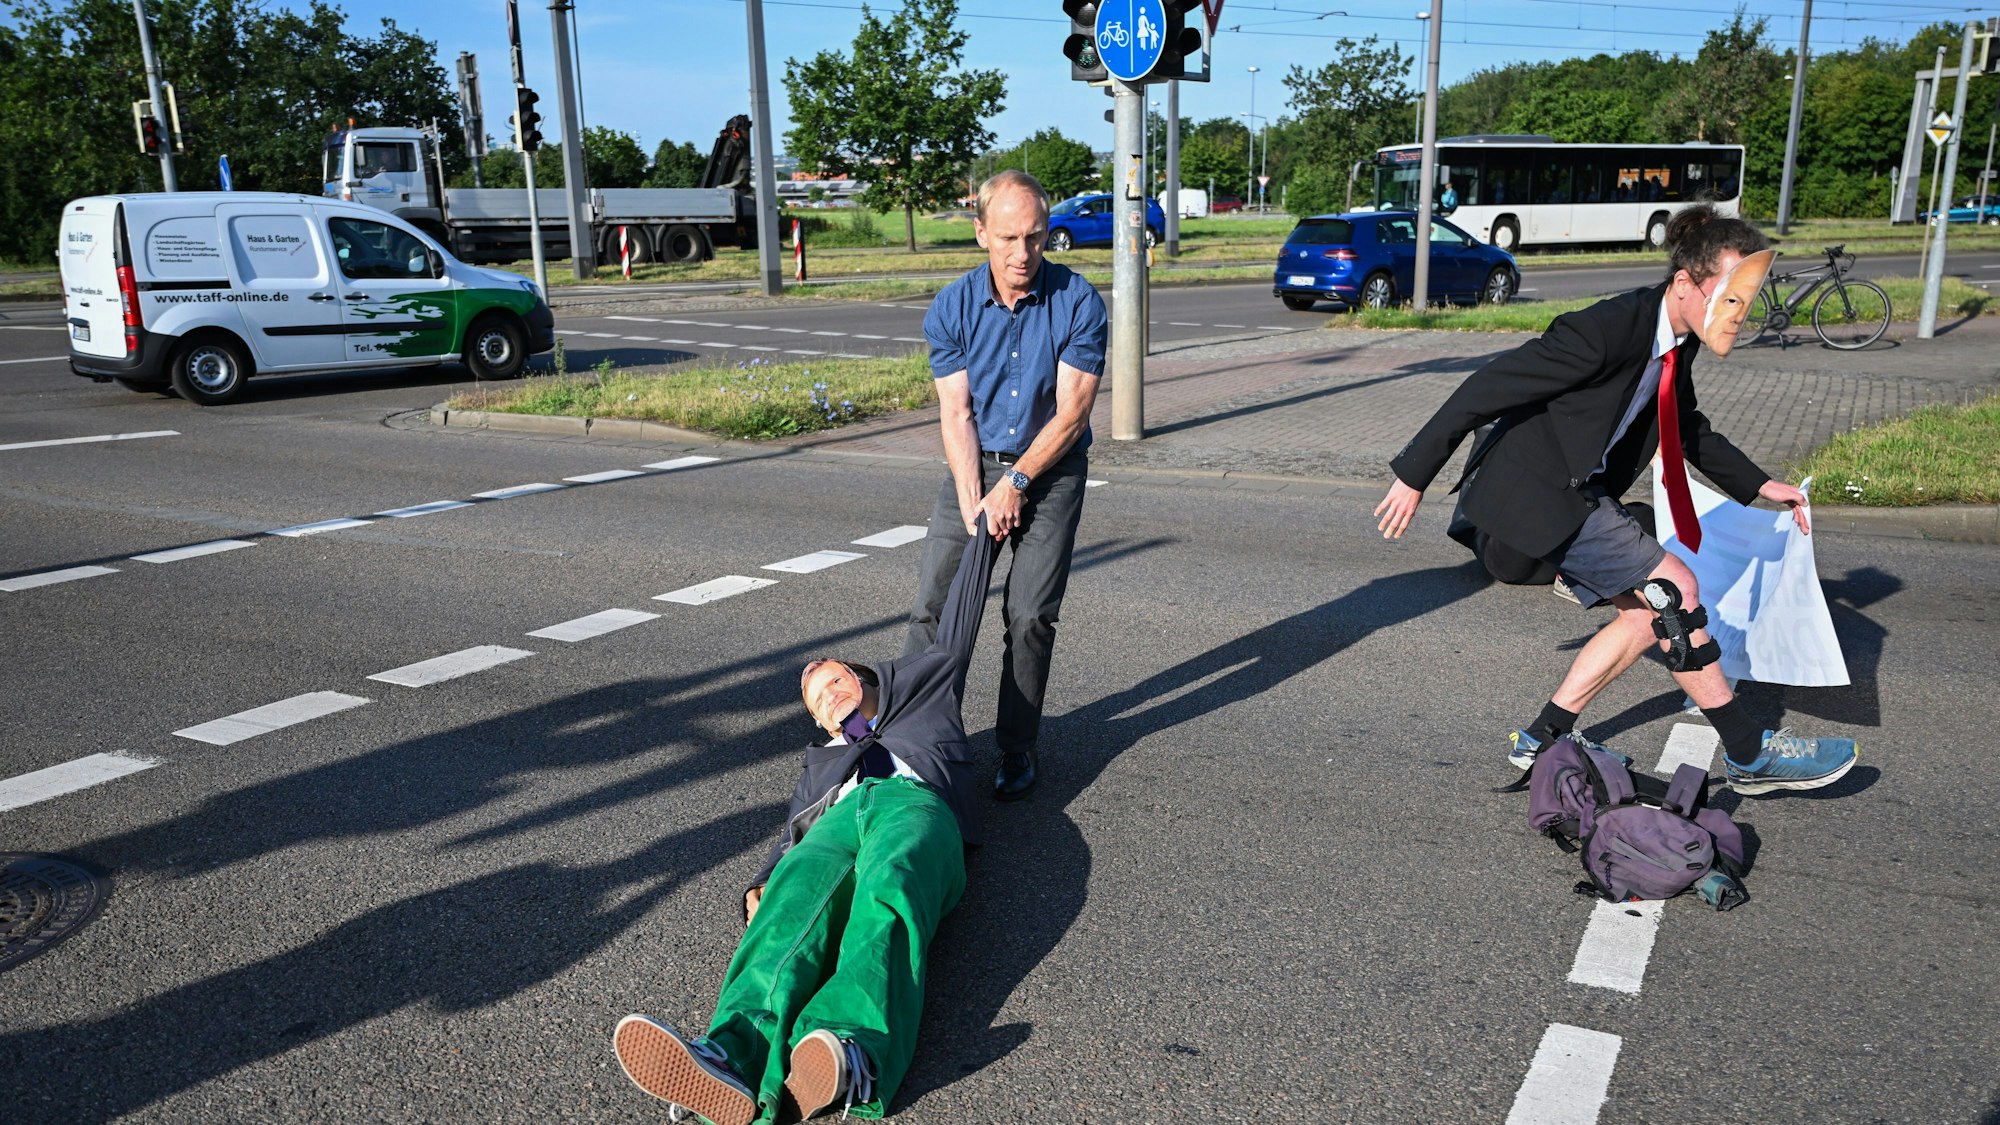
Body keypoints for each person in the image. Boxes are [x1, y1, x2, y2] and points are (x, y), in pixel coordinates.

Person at [1373, 203, 1858, 795]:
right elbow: (1487, 386)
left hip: (1580, 490)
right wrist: (1414, 474)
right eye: (1729, 299)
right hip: (1540, 491)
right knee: (1675, 589)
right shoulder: (1605, 329)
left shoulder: (1679, 339)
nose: (1740, 315)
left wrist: (1760, 485)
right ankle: (1749, 752)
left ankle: (1544, 737)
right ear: (1685, 283)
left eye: (1746, 303)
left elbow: (1685, 422)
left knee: (1646, 612)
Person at [612, 518, 1006, 1125]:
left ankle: (851, 1048)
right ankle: (732, 1057)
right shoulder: (823, 765)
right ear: (821, 725)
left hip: (917, 805)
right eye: (817, 701)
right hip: (839, 818)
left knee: (888, 887)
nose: (828, 697)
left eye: (832, 682)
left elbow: (961, 615)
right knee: (791, 903)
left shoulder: (925, 692)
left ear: (859, 676)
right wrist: (760, 879)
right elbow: (793, 827)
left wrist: (985, 534)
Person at [901, 169, 1107, 802]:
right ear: (981, 232)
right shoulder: (952, 307)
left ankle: (1015, 749)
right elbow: (956, 412)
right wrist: (973, 496)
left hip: (1052, 467)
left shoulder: (1079, 301)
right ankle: (914, 742)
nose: (1024, 255)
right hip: (978, 461)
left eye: (1037, 239)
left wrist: (1016, 481)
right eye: (1010, 238)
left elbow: (1071, 415)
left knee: (1029, 614)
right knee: (935, 604)